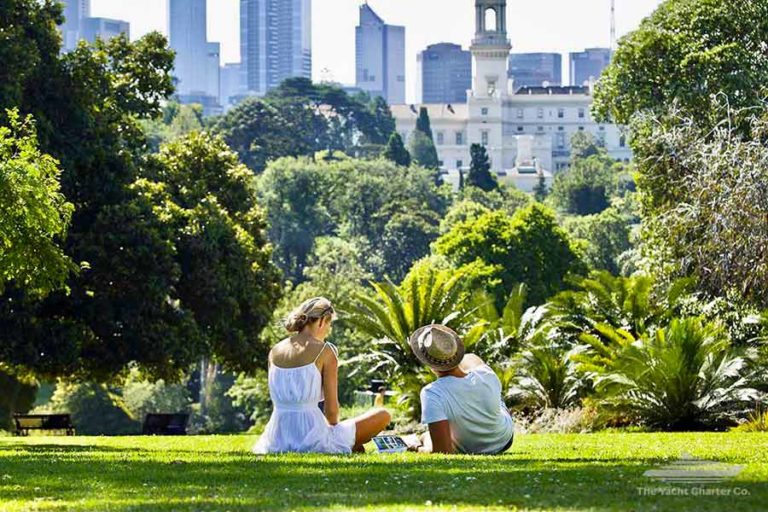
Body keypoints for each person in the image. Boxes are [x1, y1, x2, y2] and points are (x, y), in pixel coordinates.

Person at [253, 297, 391, 454]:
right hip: (314, 438)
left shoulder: (275, 351)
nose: (328, 330)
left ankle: (353, 445)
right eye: (329, 324)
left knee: (352, 432)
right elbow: (332, 415)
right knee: (382, 415)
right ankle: (351, 445)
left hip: (276, 437)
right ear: (321, 321)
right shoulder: (325, 351)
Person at [408, 324, 514, 455]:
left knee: (426, 436)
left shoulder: (431, 393)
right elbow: (471, 358)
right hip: (503, 440)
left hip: (470, 448)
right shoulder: (486, 374)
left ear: (428, 363)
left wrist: (415, 447)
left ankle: (421, 438)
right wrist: (449, 356)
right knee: (498, 400)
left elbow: (443, 452)